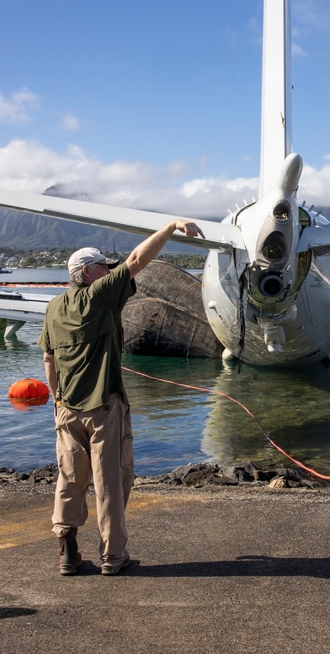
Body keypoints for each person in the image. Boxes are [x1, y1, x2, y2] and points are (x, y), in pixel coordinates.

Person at [39, 219, 204, 576]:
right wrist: (172, 226)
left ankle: (68, 552)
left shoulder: (54, 308)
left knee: (69, 479)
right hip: (103, 408)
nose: (110, 270)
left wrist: (56, 399)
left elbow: (48, 359)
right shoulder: (99, 296)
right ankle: (113, 557)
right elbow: (137, 260)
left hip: (66, 410)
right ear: (86, 273)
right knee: (111, 482)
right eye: (103, 266)